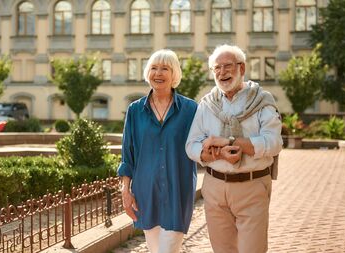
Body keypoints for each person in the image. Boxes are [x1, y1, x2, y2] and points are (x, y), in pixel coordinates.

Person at [185, 44, 283, 253]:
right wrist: (218, 153)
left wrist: (229, 142)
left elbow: (274, 143)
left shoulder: (262, 101)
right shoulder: (207, 104)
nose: (222, 72)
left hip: (252, 184)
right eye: (217, 68)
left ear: (242, 68)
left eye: (227, 66)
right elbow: (191, 145)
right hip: (214, 187)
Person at [117, 49, 198, 253]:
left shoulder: (191, 110)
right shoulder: (135, 110)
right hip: (146, 193)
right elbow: (128, 153)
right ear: (147, 73)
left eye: (165, 68)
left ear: (174, 75)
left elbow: (201, 145)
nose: (158, 73)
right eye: (154, 68)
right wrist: (125, 190)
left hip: (177, 190)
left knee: (168, 249)